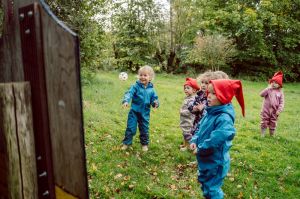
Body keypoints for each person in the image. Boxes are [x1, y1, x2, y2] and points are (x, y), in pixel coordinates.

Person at [190, 79, 245, 199]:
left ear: (224, 96)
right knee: (206, 185)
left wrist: (201, 148)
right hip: (206, 159)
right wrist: (194, 140)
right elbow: (200, 128)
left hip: (215, 162)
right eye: (209, 92)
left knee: (212, 189)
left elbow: (216, 140)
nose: (208, 96)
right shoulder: (210, 111)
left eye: (214, 93)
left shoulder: (224, 118)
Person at [121, 65, 159, 152]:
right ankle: (126, 143)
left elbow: (154, 99)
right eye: (141, 75)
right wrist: (126, 101)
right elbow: (129, 93)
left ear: (150, 77)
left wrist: (155, 103)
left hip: (145, 113)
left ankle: (144, 144)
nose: (142, 77)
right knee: (130, 128)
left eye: (145, 75)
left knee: (144, 129)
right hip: (134, 112)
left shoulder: (152, 90)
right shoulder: (135, 86)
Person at [188, 71, 229, 140]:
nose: (203, 85)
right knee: (195, 134)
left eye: (206, 83)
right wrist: (193, 108)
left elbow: (211, 112)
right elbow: (193, 105)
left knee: (204, 135)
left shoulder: (213, 98)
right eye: (202, 82)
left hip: (206, 123)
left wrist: (202, 109)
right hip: (197, 121)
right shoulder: (200, 94)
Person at [260, 71, 284, 136]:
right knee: (264, 121)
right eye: (273, 82)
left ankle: (272, 135)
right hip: (266, 110)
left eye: (276, 83)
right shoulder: (268, 90)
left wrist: (279, 110)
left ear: (279, 84)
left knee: (273, 122)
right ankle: (262, 134)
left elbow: (282, 103)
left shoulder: (280, 92)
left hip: (275, 111)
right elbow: (261, 94)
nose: (274, 83)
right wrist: (267, 88)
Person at [179, 78, 200, 151]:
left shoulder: (193, 99)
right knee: (184, 132)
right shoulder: (188, 97)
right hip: (185, 120)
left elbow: (191, 111)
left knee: (187, 133)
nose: (185, 90)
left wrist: (182, 112)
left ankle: (188, 146)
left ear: (194, 90)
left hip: (189, 120)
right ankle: (185, 144)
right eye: (185, 88)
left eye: (188, 88)